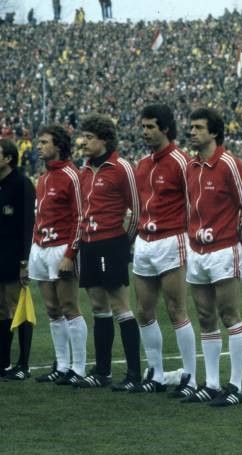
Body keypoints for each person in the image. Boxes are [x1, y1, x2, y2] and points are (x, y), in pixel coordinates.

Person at [181, 107, 242, 407]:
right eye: (191, 127)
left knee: (229, 314)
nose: (192, 132)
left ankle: (235, 385)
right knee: (205, 316)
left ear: (214, 132)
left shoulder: (229, 163)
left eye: (199, 127)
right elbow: (189, 206)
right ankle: (211, 383)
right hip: (197, 249)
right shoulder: (191, 166)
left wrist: (238, 241)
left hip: (223, 248)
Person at [130, 104, 198, 395]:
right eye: (143, 127)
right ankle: (156, 373)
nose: (145, 132)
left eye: (151, 127)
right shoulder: (143, 164)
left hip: (172, 239)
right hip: (145, 241)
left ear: (166, 129)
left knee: (176, 310)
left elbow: (194, 202)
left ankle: (190, 377)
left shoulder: (181, 162)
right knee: (143, 311)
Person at [74, 114, 142, 391]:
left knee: (120, 306)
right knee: (98, 307)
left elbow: (137, 209)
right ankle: (102, 372)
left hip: (111, 243)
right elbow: (81, 212)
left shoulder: (121, 167)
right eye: (84, 137)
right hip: (88, 243)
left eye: (89, 138)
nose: (84, 142)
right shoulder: (84, 170)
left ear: (103, 140)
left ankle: (134, 374)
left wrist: (124, 243)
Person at [29, 125, 89, 385]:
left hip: (61, 247)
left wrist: (70, 253)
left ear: (58, 146)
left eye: (44, 142)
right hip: (40, 247)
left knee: (69, 307)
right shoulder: (43, 177)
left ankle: (79, 368)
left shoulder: (71, 175)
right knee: (52, 310)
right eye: (39, 142)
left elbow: (80, 218)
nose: (39, 146)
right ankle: (62, 366)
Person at [0, 140, 35, 379]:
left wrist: (24, 261)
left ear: (8, 158)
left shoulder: (22, 184)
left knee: (17, 308)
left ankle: (23, 364)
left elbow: (27, 225)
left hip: (15, 257)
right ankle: (3, 362)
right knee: (2, 309)